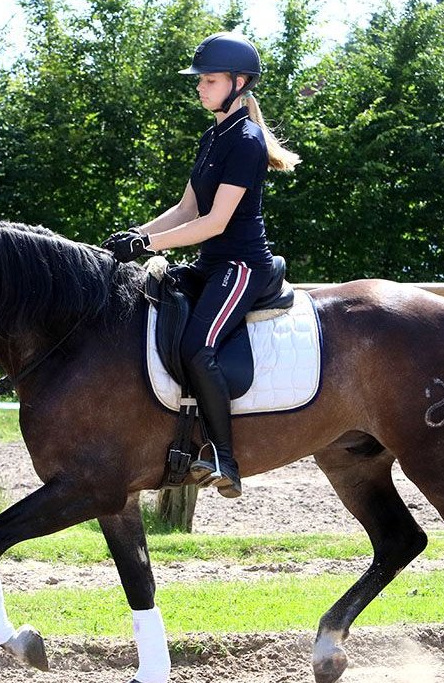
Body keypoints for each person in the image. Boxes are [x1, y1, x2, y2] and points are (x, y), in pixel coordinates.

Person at [102, 31, 300, 498]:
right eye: (200, 80)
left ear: (238, 83)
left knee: (197, 345)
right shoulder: (213, 137)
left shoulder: (246, 140)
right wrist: (132, 235)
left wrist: (148, 243)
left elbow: (215, 222)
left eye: (209, 80)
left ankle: (224, 459)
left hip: (242, 267)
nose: (200, 87)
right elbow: (187, 209)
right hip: (211, 264)